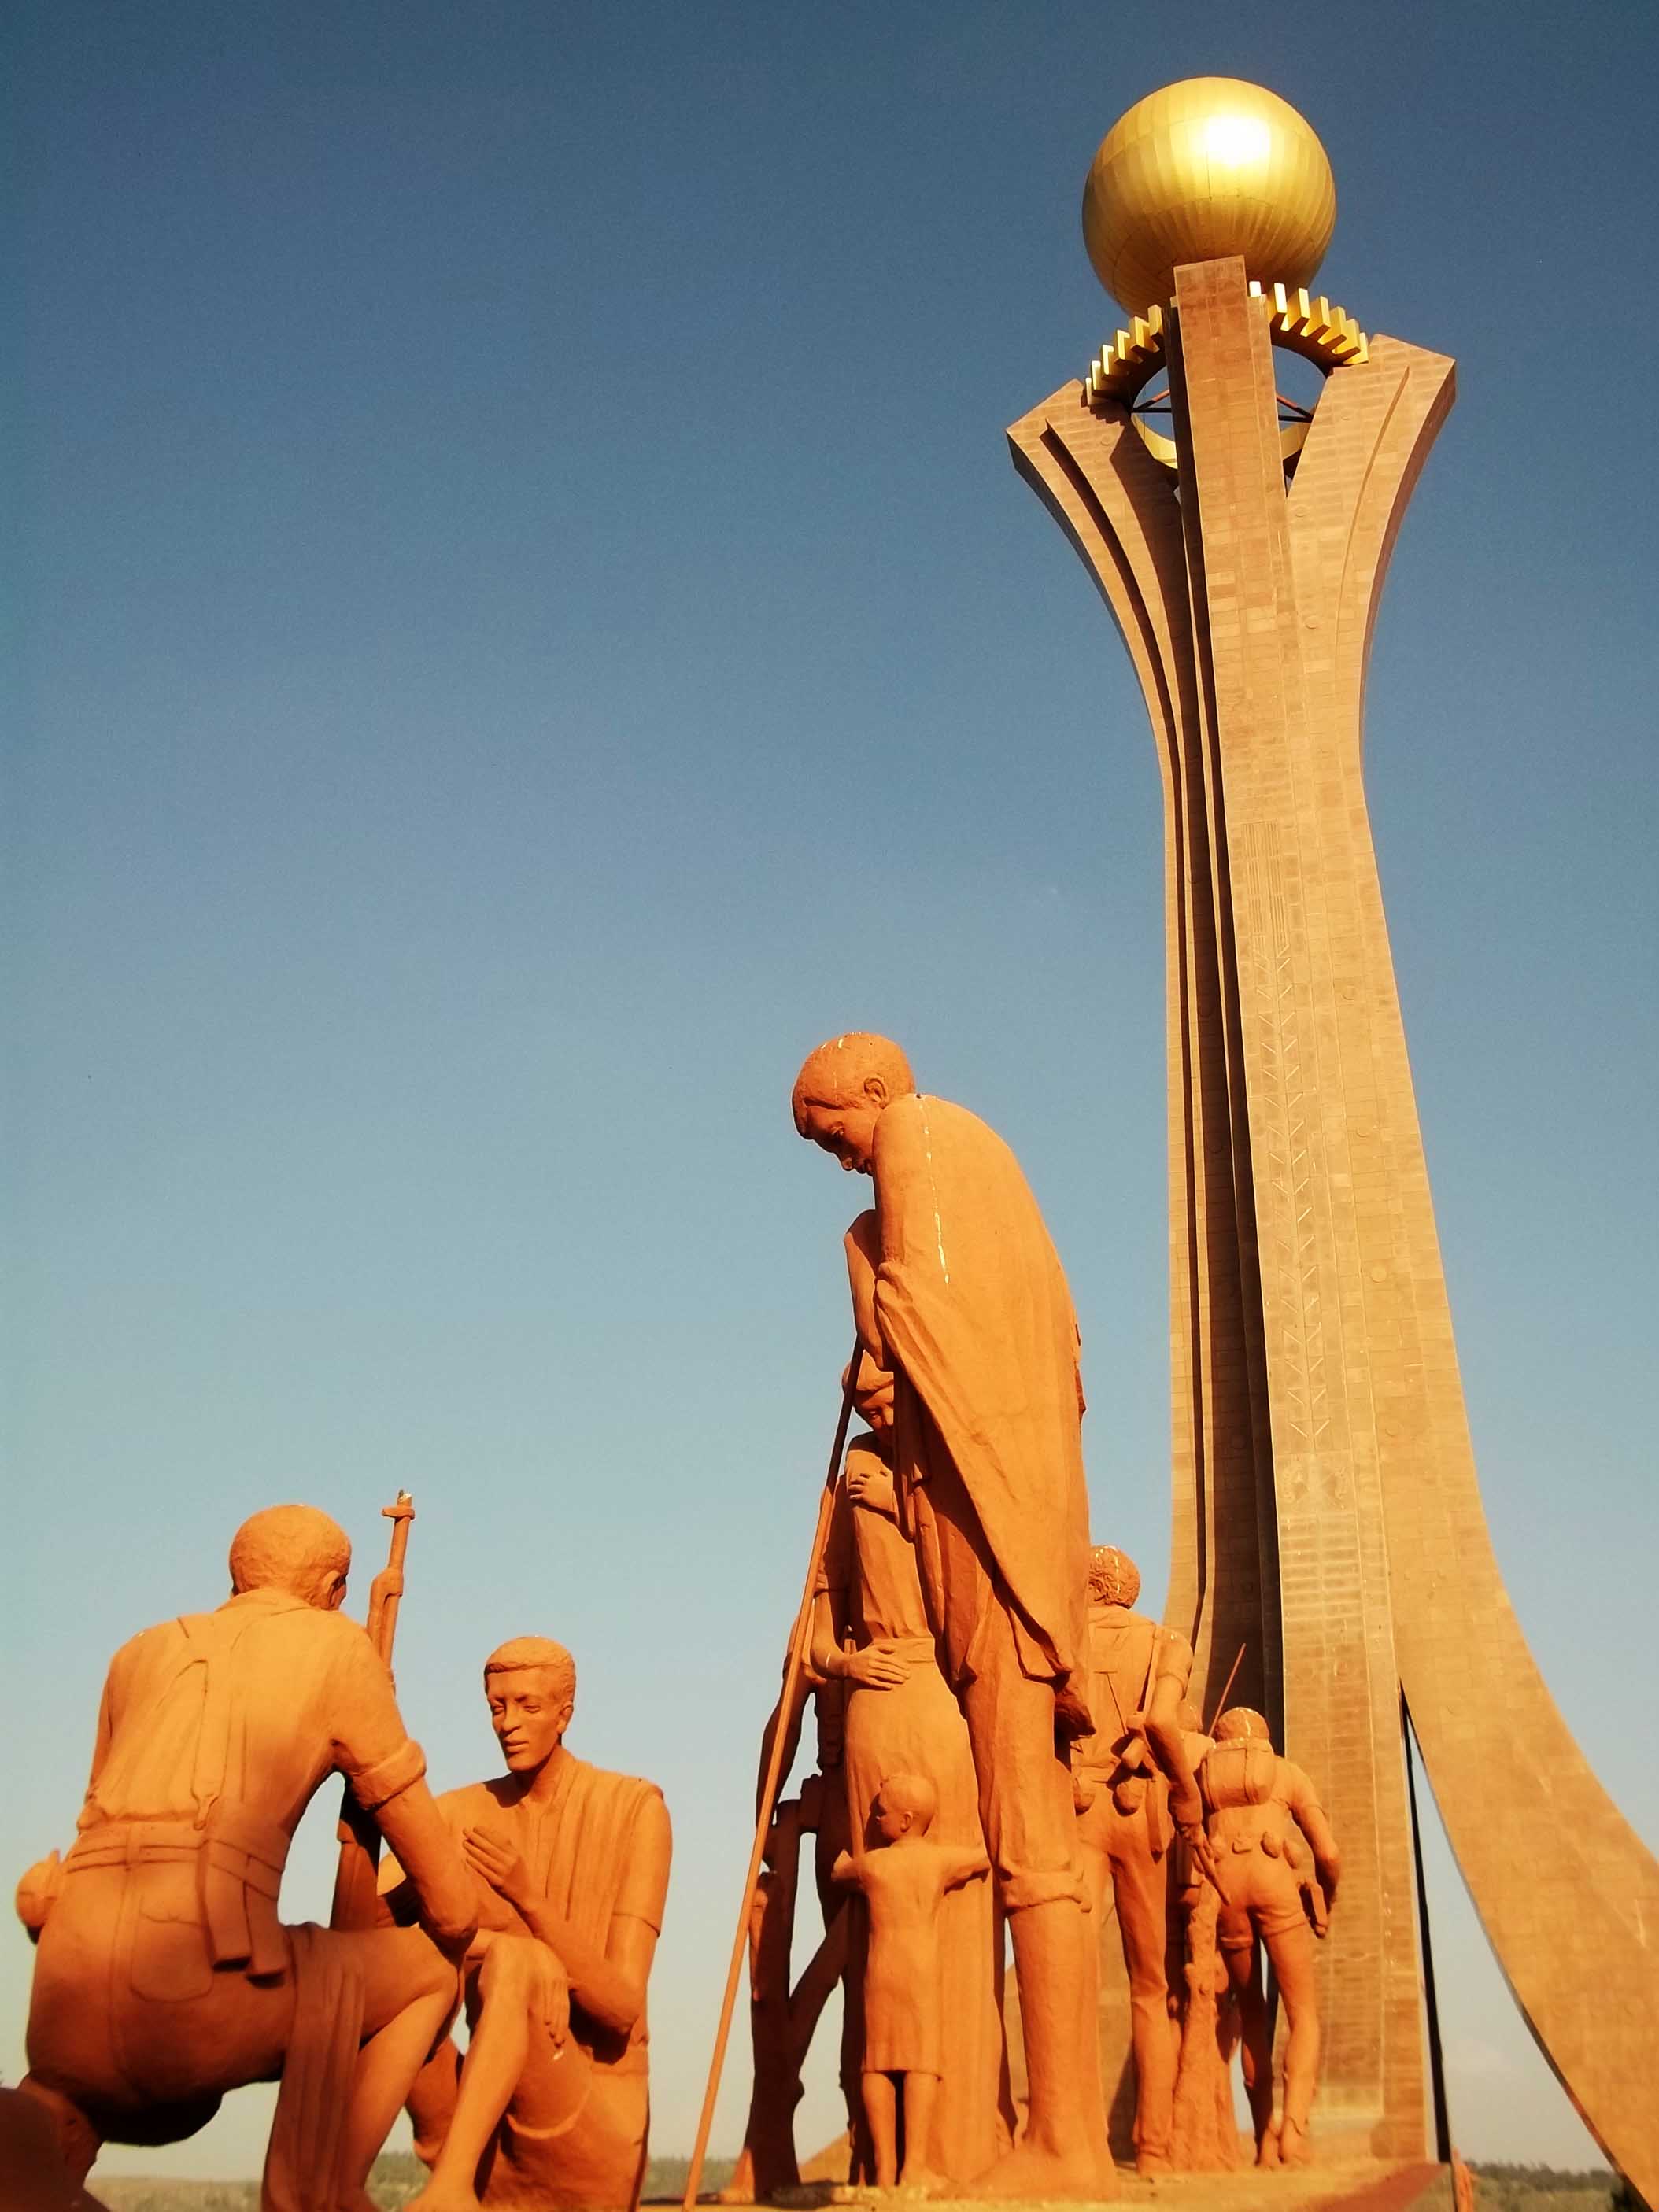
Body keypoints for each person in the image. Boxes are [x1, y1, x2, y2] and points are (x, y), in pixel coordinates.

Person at [793, 1032, 1136, 2196]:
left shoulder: (918, 1134)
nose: (843, 1159)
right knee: (1011, 1825)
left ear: (871, 1093)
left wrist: (875, 1348)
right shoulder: (987, 1169)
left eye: (833, 1132)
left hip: (989, 1530)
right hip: (995, 1511)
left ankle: (1066, 2140)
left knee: (1027, 1830)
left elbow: (928, 1313)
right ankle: (1008, 2129)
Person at [17, 1505, 478, 2212]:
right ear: (332, 1588)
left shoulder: (138, 1653)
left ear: (236, 1576)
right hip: (193, 2002)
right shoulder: (336, 1646)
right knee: (430, 1974)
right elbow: (454, 1905)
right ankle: (328, 2186)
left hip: (61, 2010)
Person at [387, 1637, 671, 2212]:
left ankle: (451, 2189)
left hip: (593, 2114)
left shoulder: (634, 1809)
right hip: (484, 2121)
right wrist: (371, 1794)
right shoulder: (457, 1812)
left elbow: (621, 2007)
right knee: (377, 1977)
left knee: (517, 1960)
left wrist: (529, 1904)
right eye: (497, 1706)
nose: (508, 1723)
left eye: (528, 1706)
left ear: (565, 1714)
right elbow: (369, 1935)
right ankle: (324, 2182)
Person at [810, 1414, 1012, 2183]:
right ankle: (879, 2155)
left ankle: (960, 2137)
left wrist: (900, 1502)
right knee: (874, 1912)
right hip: (876, 1692)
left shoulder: (954, 1458)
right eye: (864, 1397)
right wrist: (845, 1665)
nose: (875, 1409)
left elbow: (984, 1579)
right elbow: (816, 1631)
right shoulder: (848, 1478)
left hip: (942, 1687)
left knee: (956, 1911)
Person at [1069, 1545, 1204, 2175]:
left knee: (1072, 1973)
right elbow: (1162, 1722)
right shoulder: (1164, 1642)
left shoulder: (1064, 1637)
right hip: (1137, 1810)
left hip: (1077, 1805)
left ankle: (1079, 2133)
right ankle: (1153, 2144)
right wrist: (1187, 1795)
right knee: (1151, 1986)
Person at [833, 1774, 990, 2193]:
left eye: (881, 1812)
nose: (875, 1817)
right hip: (919, 1972)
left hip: (881, 1970)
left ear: (904, 1821)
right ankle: (913, 2167)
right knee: (920, 2062)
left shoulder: (874, 1865)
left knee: (877, 2061)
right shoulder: (937, 1861)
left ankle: (884, 2170)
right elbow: (981, 1857)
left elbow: (839, 1870)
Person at [1197, 1707, 1340, 2166]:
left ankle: (1263, 2140)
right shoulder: (1287, 1774)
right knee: (1303, 2015)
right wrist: (1327, 1899)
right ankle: (1293, 2134)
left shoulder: (1205, 1778)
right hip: (1275, 1883)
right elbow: (1329, 1853)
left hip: (1226, 1891)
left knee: (1252, 2014)